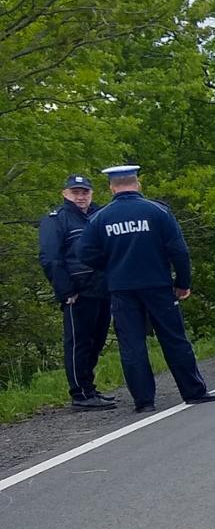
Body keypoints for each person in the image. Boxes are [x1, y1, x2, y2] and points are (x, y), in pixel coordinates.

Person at [77, 165, 215, 414]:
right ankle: (193, 392)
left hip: (121, 288)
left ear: (111, 187)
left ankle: (144, 402)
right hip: (157, 284)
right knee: (174, 339)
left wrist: (111, 266)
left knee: (132, 344)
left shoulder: (100, 218)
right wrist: (183, 282)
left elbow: (84, 253)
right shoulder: (157, 211)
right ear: (137, 183)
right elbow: (179, 250)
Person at [38, 174, 117, 410]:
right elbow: (51, 258)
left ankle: (89, 388)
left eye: (84, 192)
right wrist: (66, 290)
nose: (80, 197)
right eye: (75, 192)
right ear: (65, 194)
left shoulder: (99, 215)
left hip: (102, 287)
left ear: (91, 194)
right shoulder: (56, 220)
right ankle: (80, 394)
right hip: (78, 291)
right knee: (78, 343)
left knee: (96, 341)